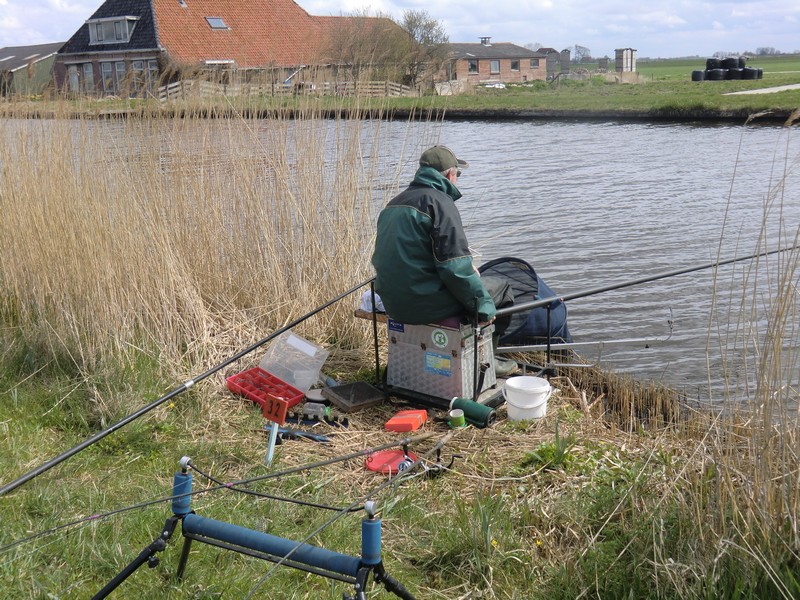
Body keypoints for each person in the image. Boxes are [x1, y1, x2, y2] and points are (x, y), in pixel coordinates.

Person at [371, 145, 498, 327]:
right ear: (450, 176)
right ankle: (493, 345)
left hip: (394, 305)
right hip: (429, 307)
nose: (457, 180)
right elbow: (454, 268)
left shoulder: (392, 205)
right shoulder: (441, 203)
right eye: (458, 175)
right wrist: (485, 308)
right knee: (501, 290)